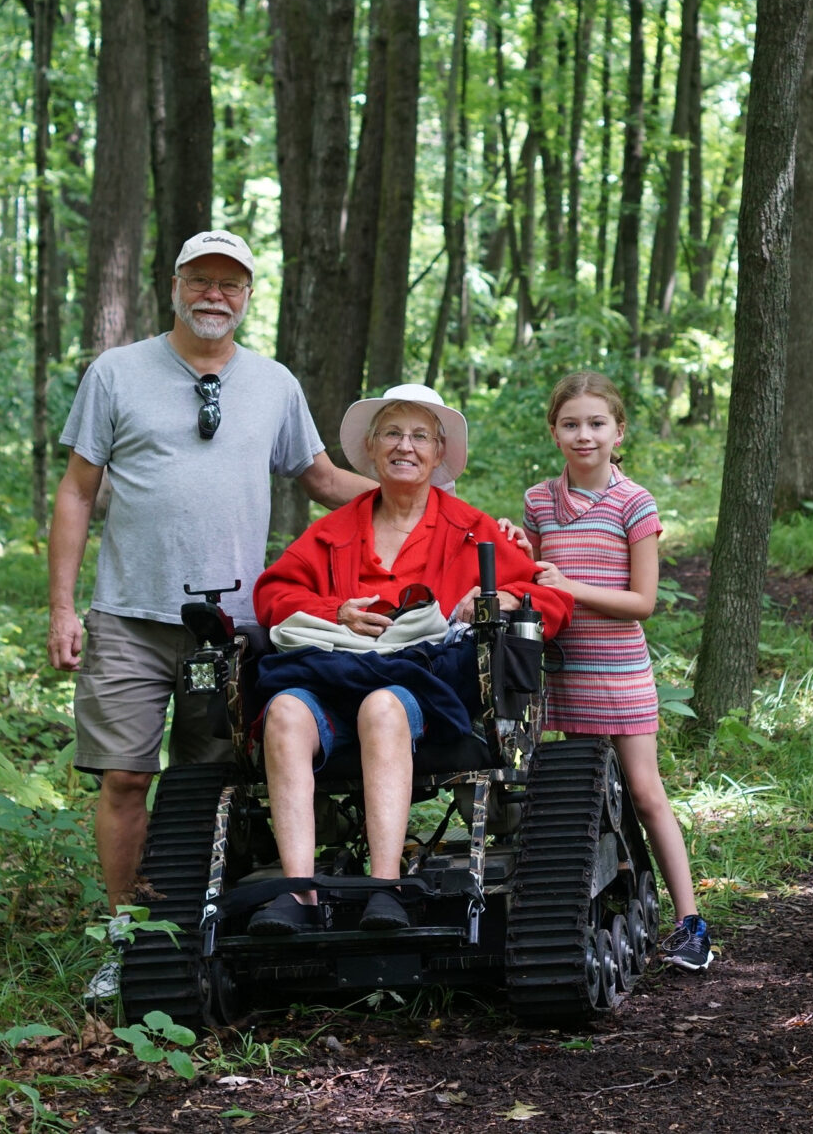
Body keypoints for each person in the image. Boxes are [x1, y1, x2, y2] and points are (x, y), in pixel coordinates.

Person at [47, 229, 376, 939]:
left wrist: (421, 500)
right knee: (126, 778)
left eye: (230, 284)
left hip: (233, 628)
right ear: (175, 286)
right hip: (129, 615)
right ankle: (128, 935)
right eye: (201, 280)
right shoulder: (116, 372)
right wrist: (63, 608)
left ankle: (198, 929)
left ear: (249, 296)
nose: (214, 295)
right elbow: (77, 492)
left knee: (212, 782)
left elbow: (320, 478)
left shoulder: (274, 383)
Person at [245, 384, 572, 934]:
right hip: (330, 681)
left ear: (439, 453)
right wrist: (337, 611)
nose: (406, 446)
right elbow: (273, 595)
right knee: (282, 713)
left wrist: (504, 597)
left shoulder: (472, 528)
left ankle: (385, 887)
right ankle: (296, 894)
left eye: (420, 436)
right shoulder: (333, 530)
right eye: (393, 433)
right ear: (371, 449)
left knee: (381, 706)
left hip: (416, 693)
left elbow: (549, 596)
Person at [521, 372, 713, 971]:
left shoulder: (635, 503)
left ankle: (690, 922)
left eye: (597, 423)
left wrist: (569, 586)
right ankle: (597, 904)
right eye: (571, 424)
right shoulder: (537, 501)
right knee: (576, 795)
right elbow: (529, 580)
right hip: (560, 672)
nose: (585, 435)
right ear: (554, 432)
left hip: (619, 670)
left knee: (645, 791)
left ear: (618, 431)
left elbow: (643, 603)